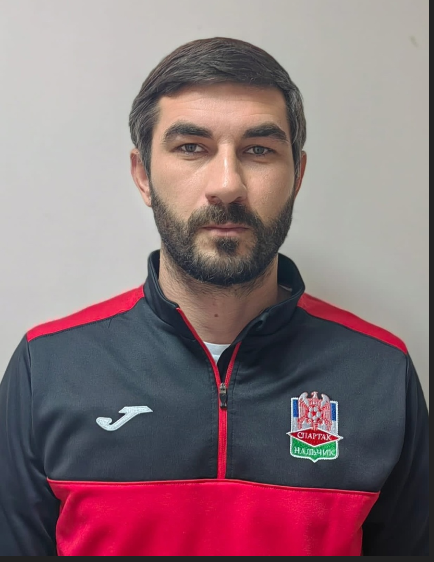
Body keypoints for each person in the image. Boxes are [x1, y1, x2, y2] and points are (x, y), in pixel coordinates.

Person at [0, 37, 428, 557]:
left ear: (297, 175)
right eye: (191, 147)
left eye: (259, 150)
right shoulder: (47, 367)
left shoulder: (380, 373)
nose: (227, 184)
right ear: (143, 175)